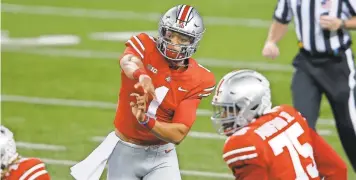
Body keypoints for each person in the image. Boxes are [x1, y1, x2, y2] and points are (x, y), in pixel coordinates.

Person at [70, 4, 215, 180]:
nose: (173, 43)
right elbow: (128, 60)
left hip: (163, 155)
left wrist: (146, 120)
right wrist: (141, 75)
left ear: (193, 41)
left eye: (182, 38)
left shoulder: (199, 78)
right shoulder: (144, 45)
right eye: (170, 35)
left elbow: (178, 133)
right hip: (125, 151)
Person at [262, 0, 356, 171]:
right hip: (306, 63)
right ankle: (312, 174)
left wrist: (342, 23)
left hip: (338, 65)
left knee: (350, 127)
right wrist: (271, 41)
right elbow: (281, 18)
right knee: (302, 126)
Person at [210, 69, 347, 179]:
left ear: (251, 106)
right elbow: (337, 170)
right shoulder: (289, 116)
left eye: (230, 110)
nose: (223, 117)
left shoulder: (242, 143)